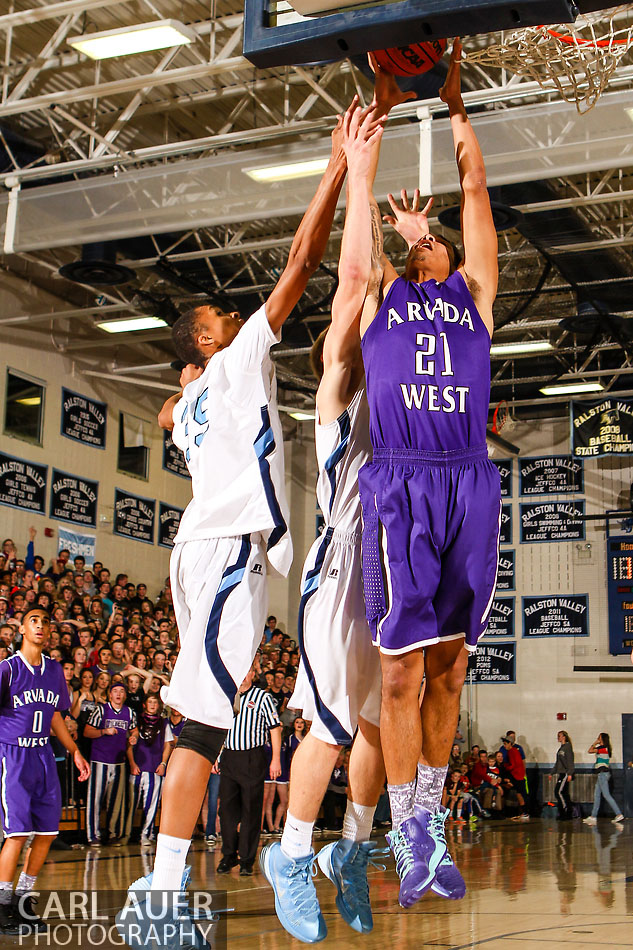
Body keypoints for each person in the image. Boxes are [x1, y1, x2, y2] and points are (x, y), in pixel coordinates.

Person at [116, 107, 350, 950]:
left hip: (206, 550)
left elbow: (172, 400)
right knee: (204, 727)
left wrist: (182, 382)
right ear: (209, 339)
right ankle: (164, 887)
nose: (233, 316)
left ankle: (163, 876)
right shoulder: (234, 358)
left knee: (201, 723)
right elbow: (300, 263)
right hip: (221, 556)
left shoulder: (188, 403)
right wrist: (333, 170)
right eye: (219, 317)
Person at [356, 39, 501, 908]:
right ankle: (405, 832)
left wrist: (452, 106)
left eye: (435, 238)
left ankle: (431, 822)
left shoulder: (473, 297)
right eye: (421, 241)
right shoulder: (385, 293)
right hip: (401, 479)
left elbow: (477, 191)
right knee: (401, 673)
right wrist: (377, 108)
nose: (431, 243)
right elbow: (358, 249)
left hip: (468, 481)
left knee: (448, 669)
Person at [261, 78, 402, 944]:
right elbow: (355, 272)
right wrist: (359, 170)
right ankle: (289, 850)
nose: (379, 297)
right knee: (328, 719)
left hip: (392, 563)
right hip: (341, 561)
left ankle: (349, 848)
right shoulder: (341, 372)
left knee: (381, 720)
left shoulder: (407, 383)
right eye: (375, 295)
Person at [0, 607, 89, 935]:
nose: (40, 625)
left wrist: (75, 751)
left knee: (48, 832)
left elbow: (54, 716)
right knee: (18, 833)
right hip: (13, 755)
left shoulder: (53, 671)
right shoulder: (7, 670)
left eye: (45, 621)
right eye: (33, 620)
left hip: (43, 754)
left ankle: (22, 901)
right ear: (22, 629)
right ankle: (2, 905)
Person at [217, 664, 282, 876]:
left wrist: (276, 760)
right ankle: (228, 855)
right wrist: (217, 756)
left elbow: (274, 728)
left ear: (253, 674)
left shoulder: (262, 697)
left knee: (251, 811)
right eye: (240, 673)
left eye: (247, 673)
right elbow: (220, 727)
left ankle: (246, 859)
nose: (244, 677)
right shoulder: (227, 695)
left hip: (252, 757)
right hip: (229, 756)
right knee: (226, 811)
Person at [84, 682, 138, 845]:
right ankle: (92, 835)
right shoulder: (101, 710)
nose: (118, 694)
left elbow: (134, 730)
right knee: (95, 799)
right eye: (115, 691)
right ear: (110, 694)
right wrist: (103, 731)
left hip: (119, 762)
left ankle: (113, 833)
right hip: (100, 760)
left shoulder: (130, 712)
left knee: (115, 801)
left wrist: (133, 736)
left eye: (122, 691)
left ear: (125, 695)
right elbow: (87, 732)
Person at [126, 696, 173, 845]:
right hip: (138, 767)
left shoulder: (163, 722)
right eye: (150, 702)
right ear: (144, 704)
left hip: (154, 768)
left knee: (151, 805)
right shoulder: (136, 720)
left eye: (155, 702)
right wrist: (132, 763)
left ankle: (146, 834)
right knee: (131, 804)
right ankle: (125, 834)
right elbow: (129, 743)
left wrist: (163, 763)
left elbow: (167, 745)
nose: (153, 705)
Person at [583, 733, 624, 825]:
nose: (597, 738)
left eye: (599, 737)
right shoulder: (605, 748)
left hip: (603, 774)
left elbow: (590, 750)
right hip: (601, 774)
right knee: (597, 795)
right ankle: (593, 816)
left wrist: (595, 743)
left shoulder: (602, 748)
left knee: (606, 795)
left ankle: (618, 814)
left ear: (602, 739)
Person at [552, 731, 574, 821]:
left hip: (565, 773)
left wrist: (570, 773)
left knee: (558, 792)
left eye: (559, 736)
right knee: (564, 793)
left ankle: (564, 811)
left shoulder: (567, 747)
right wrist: (552, 772)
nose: (558, 737)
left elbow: (570, 761)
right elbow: (558, 762)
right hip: (561, 772)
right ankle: (567, 812)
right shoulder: (561, 748)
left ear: (564, 737)